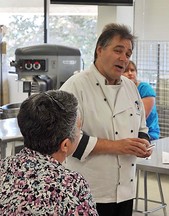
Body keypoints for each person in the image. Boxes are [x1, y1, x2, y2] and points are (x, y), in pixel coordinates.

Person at [60, 23, 152, 216]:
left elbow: (142, 127)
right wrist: (118, 146)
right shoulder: (75, 86)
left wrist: (143, 143)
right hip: (89, 191)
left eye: (128, 54)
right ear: (99, 50)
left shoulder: (130, 87)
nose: (124, 58)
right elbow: (66, 140)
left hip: (126, 188)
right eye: (118, 50)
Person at [0, 90, 99, 215]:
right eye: (79, 129)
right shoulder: (71, 185)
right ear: (65, 145)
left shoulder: (3, 167)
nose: (80, 133)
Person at [123, 60, 160, 140]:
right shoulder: (121, 90)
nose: (130, 73)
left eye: (132, 70)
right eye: (125, 71)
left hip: (147, 134)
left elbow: (140, 117)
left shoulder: (145, 89)